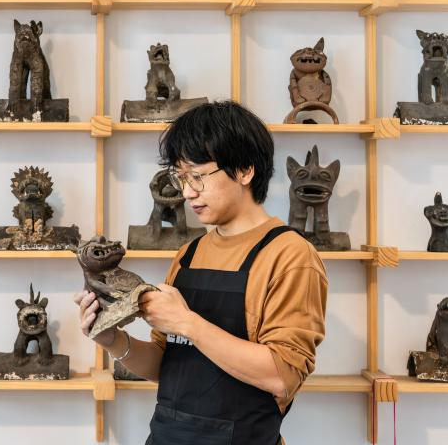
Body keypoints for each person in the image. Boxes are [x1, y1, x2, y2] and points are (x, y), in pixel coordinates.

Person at [74, 101, 327, 444]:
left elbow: (283, 376)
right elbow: (164, 363)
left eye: (197, 176)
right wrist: (111, 339)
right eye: (181, 177)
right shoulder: (189, 254)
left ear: (244, 171)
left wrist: (187, 323)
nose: (187, 192)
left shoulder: (290, 255)